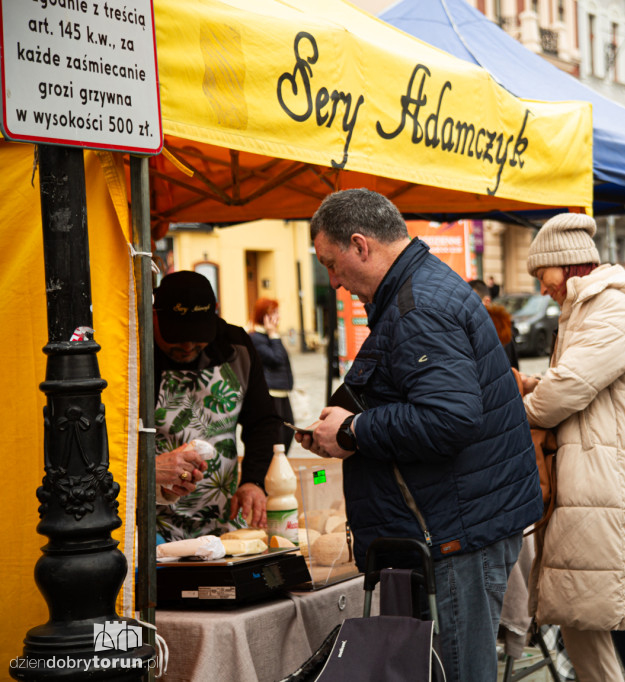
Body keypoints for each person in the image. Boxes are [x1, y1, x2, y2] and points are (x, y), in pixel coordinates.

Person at [296, 188, 542, 682]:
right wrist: (346, 420)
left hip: (456, 532)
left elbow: (450, 418)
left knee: (458, 673)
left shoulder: (418, 306)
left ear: (361, 246)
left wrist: (353, 429)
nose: (334, 281)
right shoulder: (418, 289)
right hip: (461, 523)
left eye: (332, 263)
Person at [518, 212, 625, 682]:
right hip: (601, 480)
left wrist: (521, 401)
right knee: (587, 617)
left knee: (594, 617)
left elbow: (563, 394)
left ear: (566, 265)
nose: (541, 288)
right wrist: (537, 385)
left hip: (612, 485)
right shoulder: (591, 307)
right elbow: (580, 386)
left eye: (542, 275)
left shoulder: (613, 308)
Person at [152, 271, 279, 540]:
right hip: (151, 528)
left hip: (223, 525)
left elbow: (263, 422)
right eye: (176, 336)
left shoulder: (236, 347)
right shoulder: (135, 355)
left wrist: (253, 481)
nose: (187, 345)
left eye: (197, 336)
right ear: (154, 316)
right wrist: (151, 468)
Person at [250, 297, 297, 453]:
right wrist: (273, 334)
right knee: (277, 435)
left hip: (282, 391)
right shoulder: (256, 338)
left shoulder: (269, 336)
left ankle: (280, 464)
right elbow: (276, 359)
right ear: (263, 316)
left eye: (277, 312)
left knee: (288, 430)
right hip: (271, 392)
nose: (278, 317)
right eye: (273, 313)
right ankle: (275, 466)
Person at [468, 278, 519, 369]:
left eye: (472, 302)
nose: (468, 308)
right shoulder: (467, 329)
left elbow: (511, 368)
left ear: (487, 301)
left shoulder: (501, 331)